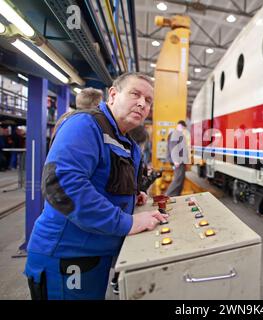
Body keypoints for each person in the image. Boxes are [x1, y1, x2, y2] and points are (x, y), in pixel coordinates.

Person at [24, 72, 168, 300]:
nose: (142, 103)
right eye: (135, 94)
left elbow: (105, 181)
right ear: (113, 94)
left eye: (148, 100)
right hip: (66, 257)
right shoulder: (85, 125)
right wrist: (126, 221)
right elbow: (62, 185)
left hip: (94, 255)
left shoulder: (125, 141)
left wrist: (131, 197)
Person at [165, 120, 190, 196]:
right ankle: (169, 195)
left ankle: (176, 195)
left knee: (180, 179)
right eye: (184, 128)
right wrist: (176, 160)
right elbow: (173, 147)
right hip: (178, 160)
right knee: (178, 179)